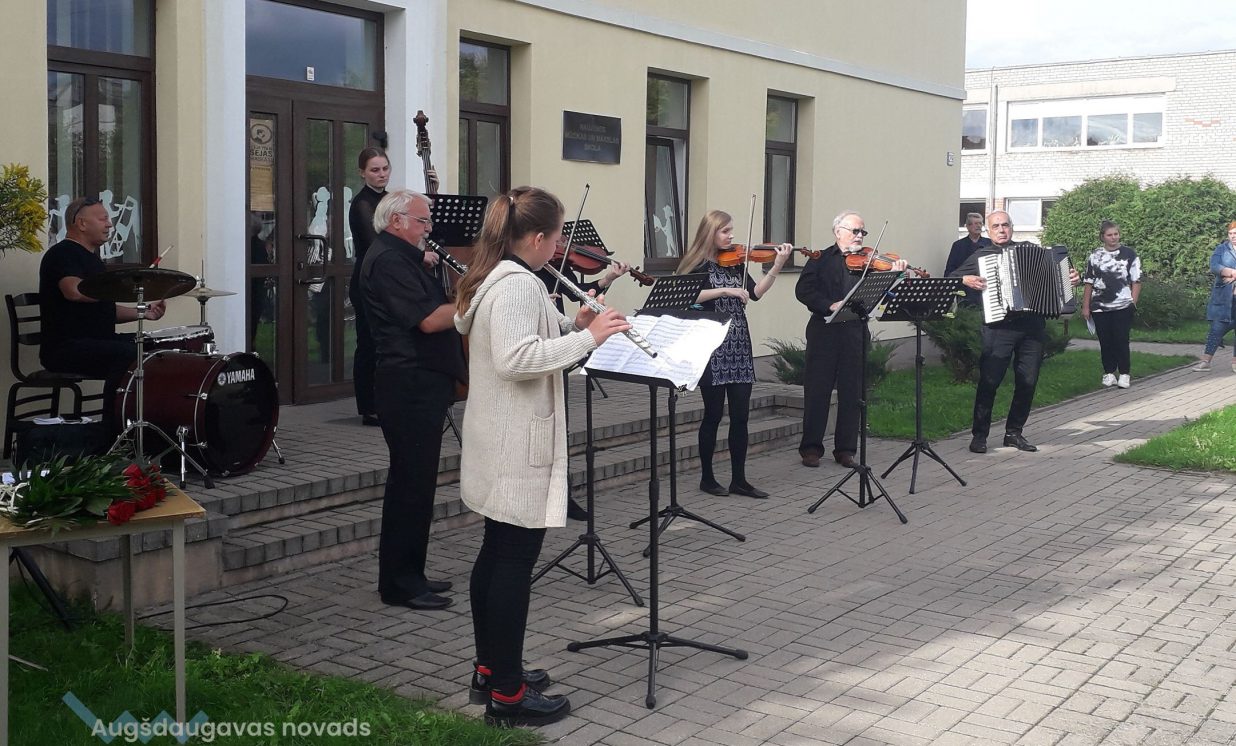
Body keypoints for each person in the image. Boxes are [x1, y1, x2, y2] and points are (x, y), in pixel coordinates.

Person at [453, 187, 630, 727]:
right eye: (556, 238)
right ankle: (508, 697)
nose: (559, 249)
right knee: (511, 565)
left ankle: (491, 671)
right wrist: (589, 340)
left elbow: (527, 342)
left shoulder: (500, 276)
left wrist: (574, 326)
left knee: (496, 557)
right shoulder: (515, 285)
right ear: (535, 238)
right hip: (514, 446)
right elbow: (516, 359)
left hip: (500, 439)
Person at [360, 189, 464, 612]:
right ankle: (400, 585)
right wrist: (477, 299)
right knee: (409, 486)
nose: (428, 228)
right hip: (408, 384)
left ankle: (411, 574)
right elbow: (428, 320)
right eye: (422, 221)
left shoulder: (404, 257)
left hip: (423, 383)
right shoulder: (388, 261)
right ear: (397, 221)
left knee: (419, 486)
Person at [676, 211, 791, 498]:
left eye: (731, 230)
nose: (731, 236)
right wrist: (724, 291)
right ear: (711, 233)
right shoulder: (698, 265)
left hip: (738, 345)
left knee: (741, 416)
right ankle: (707, 478)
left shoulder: (736, 263)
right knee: (713, 415)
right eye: (725, 231)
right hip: (712, 348)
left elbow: (755, 293)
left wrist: (777, 265)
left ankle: (739, 479)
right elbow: (686, 295)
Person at [950, 210, 1080, 454]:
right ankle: (979, 435)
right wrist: (966, 279)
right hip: (999, 327)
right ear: (988, 231)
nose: (1001, 230)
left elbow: (1061, 276)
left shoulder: (1032, 250)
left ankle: (1014, 433)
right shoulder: (982, 255)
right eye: (996, 226)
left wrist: (1070, 278)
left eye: (1005, 225)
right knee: (989, 382)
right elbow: (951, 277)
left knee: (1028, 381)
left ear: (1011, 227)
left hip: (1032, 327)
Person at [39, 196, 166, 432]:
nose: (110, 224)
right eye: (103, 218)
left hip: (98, 341)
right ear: (81, 223)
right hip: (66, 347)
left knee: (155, 349)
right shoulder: (62, 253)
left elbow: (104, 308)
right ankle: (112, 429)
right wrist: (121, 288)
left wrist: (143, 312)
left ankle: (149, 426)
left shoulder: (93, 260)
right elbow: (74, 291)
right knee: (130, 354)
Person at [796, 211, 904, 469]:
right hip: (824, 331)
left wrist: (895, 275)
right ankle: (811, 448)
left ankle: (845, 450)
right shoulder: (820, 259)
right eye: (855, 231)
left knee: (852, 392)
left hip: (855, 331)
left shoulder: (868, 262)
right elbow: (803, 291)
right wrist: (828, 304)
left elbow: (880, 295)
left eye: (862, 232)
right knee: (817, 390)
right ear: (838, 232)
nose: (859, 236)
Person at [347, 148, 390, 426]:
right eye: (375, 170)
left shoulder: (389, 200)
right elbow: (378, 244)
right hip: (367, 281)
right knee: (368, 343)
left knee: (383, 343)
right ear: (362, 173)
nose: (381, 174)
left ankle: (384, 401)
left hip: (385, 280)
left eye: (385, 168)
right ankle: (368, 407)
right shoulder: (362, 204)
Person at [1082, 221, 1141, 388]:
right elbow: (1088, 282)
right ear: (1102, 237)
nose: (1113, 237)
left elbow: (1136, 280)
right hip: (1100, 306)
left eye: (1116, 234)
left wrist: (1133, 302)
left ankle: (1124, 373)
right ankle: (1109, 372)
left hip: (1122, 305)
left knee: (1121, 339)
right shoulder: (1095, 256)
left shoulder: (1129, 254)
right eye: (1109, 235)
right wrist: (1086, 306)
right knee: (1105, 340)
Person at [1193, 221, 1236, 373]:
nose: (1233, 236)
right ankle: (1205, 361)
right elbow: (1215, 266)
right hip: (1224, 297)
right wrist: (1232, 272)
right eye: (1231, 234)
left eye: (1235, 234)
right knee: (1217, 328)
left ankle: (1235, 363)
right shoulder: (1221, 249)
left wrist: (1230, 275)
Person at [945, 212, 992, 306]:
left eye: (980, 223)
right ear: (968, 226)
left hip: (987, 289)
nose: (978, 226)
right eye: (975, 223)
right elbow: (950, 271)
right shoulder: (958, 245)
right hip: (965, 291)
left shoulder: (989, 243)